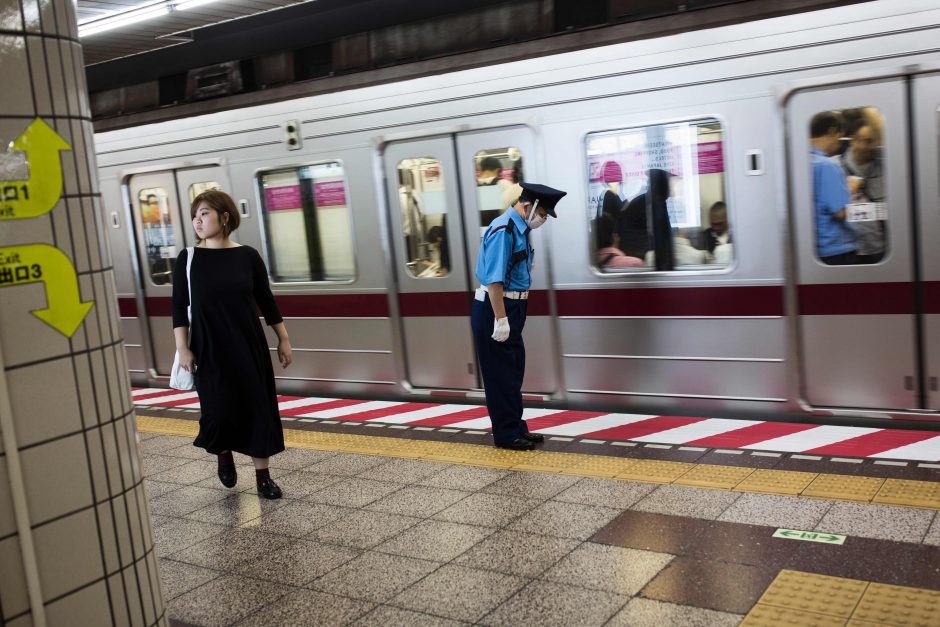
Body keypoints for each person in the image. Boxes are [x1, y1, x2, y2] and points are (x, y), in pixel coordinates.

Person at [172, 190, 293, 500]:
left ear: (225, 217)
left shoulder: (248, 256)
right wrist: (183, 348)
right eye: (195, 215)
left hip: (247, 344)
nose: (197, 221)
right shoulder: (188, 258)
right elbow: (178, 308)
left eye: (204, 213)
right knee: (218, 410)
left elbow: (266, 301)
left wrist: (283, 338)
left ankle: (263, 477)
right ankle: (223, 454)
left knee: (258, 408)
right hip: (209, 348)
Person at [471, 182, 565, 450]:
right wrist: (500, 320)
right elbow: (495, 281)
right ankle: (505, 434)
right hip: (496, 307)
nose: (542, 220)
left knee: (512, 372)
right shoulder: (504, 229)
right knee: (500, 375)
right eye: (542, 215)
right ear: (528, 206)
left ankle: (516, 427)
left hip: (512, 308)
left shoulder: (520, 230)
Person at [810, 111, 857, 265]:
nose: (840, 142)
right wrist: (852, 188)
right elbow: (841, 212)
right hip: (837, 249)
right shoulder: (828, 165)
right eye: (840, 136)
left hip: (817, 248)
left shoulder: (803, 161)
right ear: (831, 131)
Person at [840, 117, 885, 263]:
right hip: (851, 249)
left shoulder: (885, 164)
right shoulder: (835, 167)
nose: (872, 147)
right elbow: (836, 212)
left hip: (882, 248)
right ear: (853, 140)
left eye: (874, 141)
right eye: (867, 141)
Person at [617, 168, 674, 270]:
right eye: (668, 184)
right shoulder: (649, 204)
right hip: (640, 257)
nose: (670, 189)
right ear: (661, 185)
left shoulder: (655, 202)